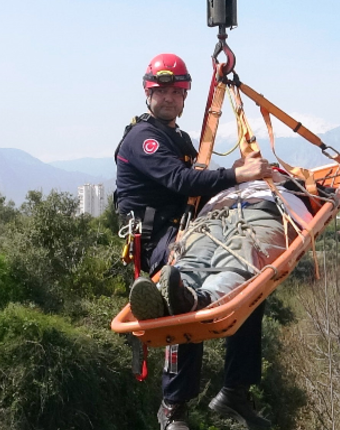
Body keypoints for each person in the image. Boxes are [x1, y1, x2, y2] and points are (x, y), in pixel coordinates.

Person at [115, 53, 275, 430]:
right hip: (158, 239)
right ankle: (173, 407)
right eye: (161, 91)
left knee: (252, 286)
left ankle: (236, 388)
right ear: (147, 92)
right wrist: (235, 175)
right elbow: (181, 182)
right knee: (181, 300)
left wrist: (248, 184)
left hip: (188, 228)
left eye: (176, 91)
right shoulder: (144, 139)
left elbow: (195, 191)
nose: (169, 98)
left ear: (185, 96)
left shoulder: (180, 138)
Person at [129, 178, 312, 430]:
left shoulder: (290, 182)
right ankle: (175, 296)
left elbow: (318, 192)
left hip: (266, 212)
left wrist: (286, 181)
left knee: (239, 259)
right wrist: (238, 175)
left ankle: (196, 300)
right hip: (213, 214)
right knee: (191, 259)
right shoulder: (235, 176)